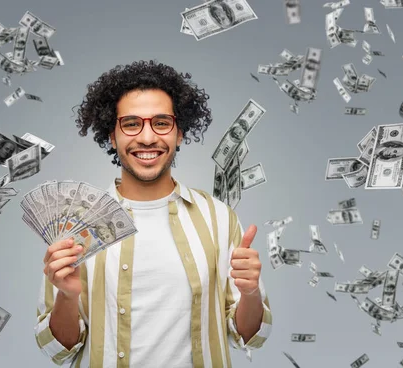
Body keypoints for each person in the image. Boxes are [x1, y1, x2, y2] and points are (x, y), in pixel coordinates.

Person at [36, 60, 272, 367]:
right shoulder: (75, 226)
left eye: (161, 123)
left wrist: (251, 293)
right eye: (131, 124)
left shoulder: (220, 219)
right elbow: (58, 350)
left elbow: (250, 335)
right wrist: (66, 298)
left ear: (180, 133)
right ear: (111, 135)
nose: (147, 138)